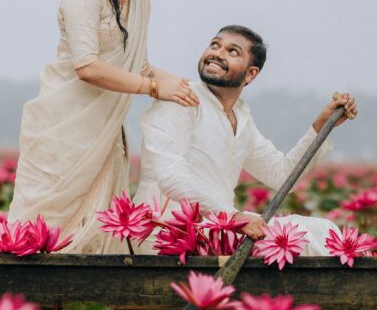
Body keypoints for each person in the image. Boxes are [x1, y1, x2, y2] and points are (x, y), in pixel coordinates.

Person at [8, 0, 199, 253]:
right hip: (65, 125)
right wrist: (154, 89)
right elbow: (88, 67)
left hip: (106, 130)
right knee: (45, 224)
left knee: (98, 225)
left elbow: (139, 66)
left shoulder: (141, 0)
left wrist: (189, 90)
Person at [133, 25, 358, 252]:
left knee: (323, 229)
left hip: (219, 230)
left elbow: (282, 176)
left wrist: (320, 127)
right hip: (169, 234)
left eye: (233, 51)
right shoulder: (180, 99)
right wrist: (235, 217)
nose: (217, 53)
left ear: (251, 73)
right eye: (215, 44)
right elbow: (171, 176)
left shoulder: (241, 119)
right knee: (304, 240)